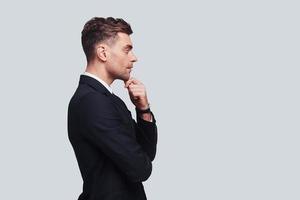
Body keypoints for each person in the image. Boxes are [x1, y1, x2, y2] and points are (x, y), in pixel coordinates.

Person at [68, 17, 158, 200]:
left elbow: (147, 154)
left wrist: (143, 110)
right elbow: (141, 169)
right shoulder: (92, 102)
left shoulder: (107, 99)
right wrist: (142, 161)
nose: (134, 58)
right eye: (127, 50)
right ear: (103, 52)